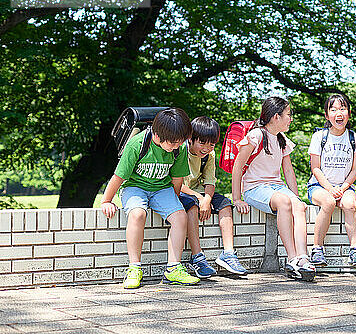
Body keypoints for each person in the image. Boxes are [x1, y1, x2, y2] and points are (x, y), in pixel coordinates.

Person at [101, 107, 200, 289]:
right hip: (135, 187)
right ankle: (134, 268)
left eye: (180, 142)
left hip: (162, 188)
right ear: (158, 134)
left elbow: (177, 179)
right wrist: (106, 201)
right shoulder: (136, 145)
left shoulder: (180, 148)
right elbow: (119, 177)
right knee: (138, 214)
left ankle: (173, 269)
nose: (176, 146)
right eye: (173, 143)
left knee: (180, 216)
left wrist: (172, 205)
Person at [231, 96, 316, 281]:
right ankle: (292, 259)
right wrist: (237, 198)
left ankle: (303, 257)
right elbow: (237, 167)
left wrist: (297, 198)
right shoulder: (256, 136)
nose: (291, 118)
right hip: (254, 188)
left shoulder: (281, 139)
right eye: (288, 114)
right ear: (276, 116)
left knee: (299, 206)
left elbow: (288, 171)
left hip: (275, 187)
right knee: (284, 202)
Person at [179, 116, 247, 277]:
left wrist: (207, 199)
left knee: (225, 203)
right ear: (190, 138)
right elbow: (177, 184)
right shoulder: (180, 150)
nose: (206, 148)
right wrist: (201, 200)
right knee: (192, 204)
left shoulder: (210, 155)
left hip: (200, 192)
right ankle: (197, 257)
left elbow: (210, 182)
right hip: (181, 192)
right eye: (202, 143)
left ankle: (228, 254)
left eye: (211, 144)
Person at [307, 94, 356, 267]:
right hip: (319, 186)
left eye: (342, 108)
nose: (338, 113)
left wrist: (344, 187)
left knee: (350, 204)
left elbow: (355, 170)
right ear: (327, 115)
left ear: (348, 113)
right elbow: (315, 168)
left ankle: (355, 250)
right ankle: (317, 249)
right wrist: (330, 188)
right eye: (333, 109)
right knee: (329, 202)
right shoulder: (319, 137)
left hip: (345, 186)